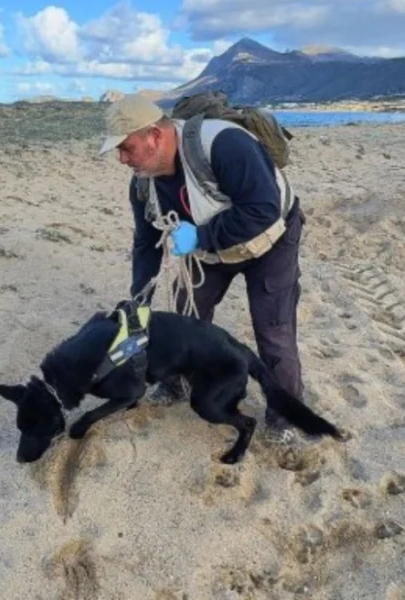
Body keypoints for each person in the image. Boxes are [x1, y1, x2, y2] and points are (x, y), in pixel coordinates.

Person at [98, 94, 306, 439]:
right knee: (184, 316)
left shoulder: (225, 144)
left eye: (126, 147)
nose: (122, 159)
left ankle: (286, 419)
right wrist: (139, 302)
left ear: (155, 135)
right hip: (210, 249)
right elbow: (145, 244)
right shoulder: (142, 183)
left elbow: (262, 210)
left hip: (271, 240)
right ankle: (175, 381)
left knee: (274, 331)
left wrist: (200, 237)